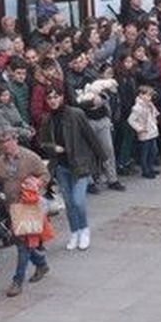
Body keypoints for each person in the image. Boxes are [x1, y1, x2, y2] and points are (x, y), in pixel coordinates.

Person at [37, 85, 104, 252]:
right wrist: (53, 148)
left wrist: (101, 160)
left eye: (55, 97)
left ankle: (85, 230)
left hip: (79, 164)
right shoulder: (47, 119)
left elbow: (91, 137)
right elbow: (42, 143)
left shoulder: (76, 114)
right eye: (50, 98)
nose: (53, 101)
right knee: (68, 202)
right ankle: (75, 232)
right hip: (61, 166)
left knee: (78, 200)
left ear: (61, 97)